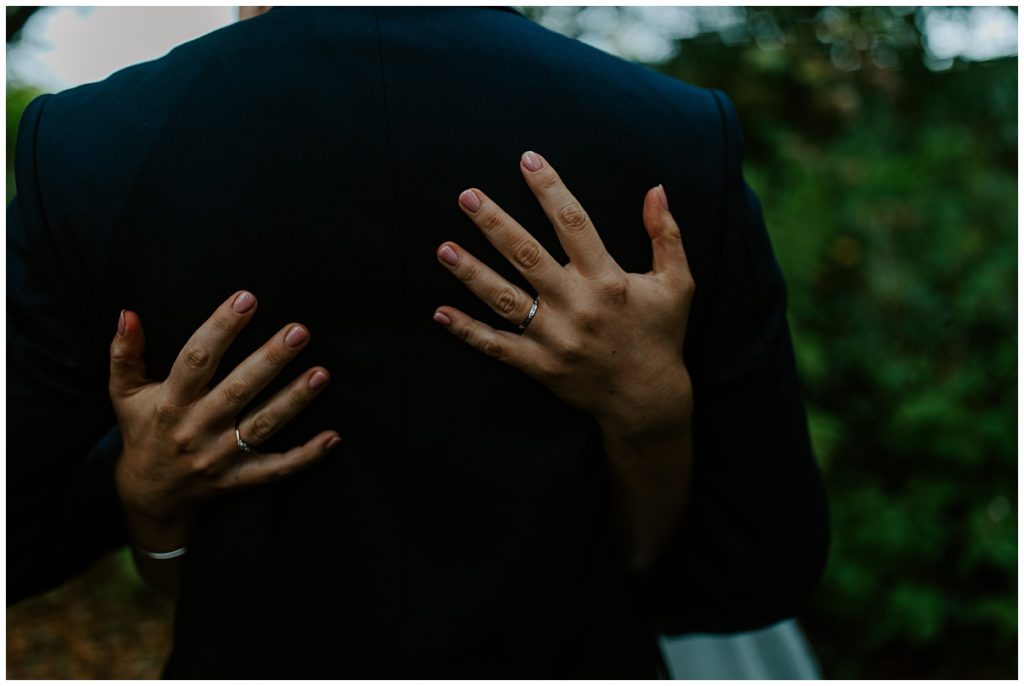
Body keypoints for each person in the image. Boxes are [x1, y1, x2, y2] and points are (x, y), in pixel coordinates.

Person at [8, 7, 828, 678]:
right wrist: (655, 417)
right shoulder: (675, 137)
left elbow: (19, 548)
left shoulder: (89, 149)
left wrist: (135, 495)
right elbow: (756, 576)